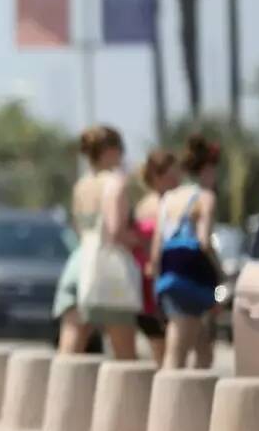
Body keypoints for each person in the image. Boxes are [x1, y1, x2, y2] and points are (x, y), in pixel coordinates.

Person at [52, 125, 139, 361]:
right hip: (106, 271)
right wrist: (139, 240)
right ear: (110, 151)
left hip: (77, 265)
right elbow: (114, 232)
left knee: (69, 353)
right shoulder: (115, 183)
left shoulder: (81, 185)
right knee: (125, 360)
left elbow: (79, 229)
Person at [152, 135, 222, 370]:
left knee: (203, 349)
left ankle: (198, 401)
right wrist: (219, 274)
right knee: (178, 348)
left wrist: (156, 286)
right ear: (207, 169)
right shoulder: (205, 197)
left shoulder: (168, 199)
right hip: (193, 279)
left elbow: (157, 246)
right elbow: (204, 241)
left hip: (169, 277)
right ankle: (170, 403)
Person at [134, 150, 181, 365]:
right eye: (172, 176)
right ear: (157, 177)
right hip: (156, 280)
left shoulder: (143, 205)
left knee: (161, 348)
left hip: (148, 278)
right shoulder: (162, 206)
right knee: (165, 348)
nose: (177, 180)